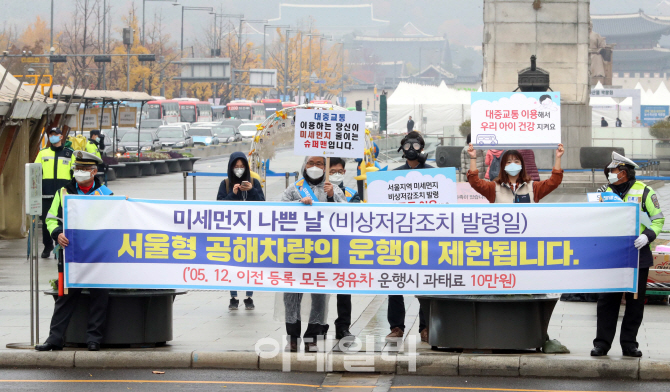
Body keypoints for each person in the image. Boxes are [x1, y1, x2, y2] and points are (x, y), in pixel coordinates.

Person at [35, 151, 113, 352]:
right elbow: (51, 218)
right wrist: (57, 233)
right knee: (66, 296)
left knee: (99, 297)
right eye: (77, 168)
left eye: (85, 169)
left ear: (94, 172)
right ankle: (55, 339)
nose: (80, 172)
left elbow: (115, 221)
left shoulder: (106, 194)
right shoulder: (64, 192)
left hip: (97, 255)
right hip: (71, 255)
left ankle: (94, 339)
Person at [591, 152, 665, 357]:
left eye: (612, 171)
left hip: (637, 252)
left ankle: (629, 344)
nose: (609, 175)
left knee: (635, 301)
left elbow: (658, 220)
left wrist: (648, 236)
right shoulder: (603, 193)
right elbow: (593, 220)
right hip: (611, 254)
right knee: (607, 301)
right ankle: (602, 344)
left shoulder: (645, 192)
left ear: (623, 172)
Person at [280, 156, 346, 352]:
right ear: (304, 166)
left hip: (323, 253)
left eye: (319, 163)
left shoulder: (334, 188)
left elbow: (347, 215)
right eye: (311, 163)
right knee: (291, 294)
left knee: (320, 296)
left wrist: (333, 196)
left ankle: (312, 337)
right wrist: (298, 205)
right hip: (296, 251)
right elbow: (279, 212)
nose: (315, 167)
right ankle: (293, 337)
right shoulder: (294, 189)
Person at [387, 132, 432, 343]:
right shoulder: (393, 176)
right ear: (402, 148)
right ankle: (396, 326)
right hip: (399, 238)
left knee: (426, 283)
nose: (411, 148)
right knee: (395, 282)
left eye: (416, 145)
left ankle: (427, 326)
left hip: (425, 238)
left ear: (422, 148)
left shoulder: (433, 175)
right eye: (407, 145)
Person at [217, 152, 265, 310]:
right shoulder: (225, 183)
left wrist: (251, 190)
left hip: (251, 231)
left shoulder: (254, 182)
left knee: (249, 264)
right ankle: (233, 296)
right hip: (231, 231)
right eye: (236, 167)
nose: (239, 170)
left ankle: (249, 296)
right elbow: (219, 206)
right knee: (232, 264)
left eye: (242, 166)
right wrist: (233, 194)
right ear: (231, 168)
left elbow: (263, 205)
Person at [326, 157, 358, 342]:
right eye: (332, 171)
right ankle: (318, 324)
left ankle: (343, 326)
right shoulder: (316, 192)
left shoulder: (352, 193)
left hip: (344, 246)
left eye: (339, 171)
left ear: (344, 172)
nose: (336, 174)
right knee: (319, 290)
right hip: (322, 247)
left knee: (344, 288)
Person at [466, 144, 564, 203]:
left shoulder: (534, 187)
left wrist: (558, 157)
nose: (513, 164)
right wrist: (473, 157)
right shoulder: (493, 187)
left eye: (516, 161)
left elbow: (554, 181)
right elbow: (475, 182)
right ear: (503, 166)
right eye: (508, 162)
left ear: (522, 165)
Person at [34, 128, 74, 259]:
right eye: (50, 135)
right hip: (46, 193)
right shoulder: (43, 153)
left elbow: (74, 174)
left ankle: (59, 246)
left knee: (62, 221)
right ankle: (47, 245)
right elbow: (36, 172)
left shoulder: (69, 154)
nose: (52, 137)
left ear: (61, 137)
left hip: (63, 194)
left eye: (55, 135)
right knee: (46, 222)